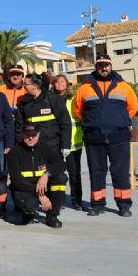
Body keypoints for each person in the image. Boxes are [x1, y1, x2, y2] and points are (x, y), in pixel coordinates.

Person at [73, 54, 138, 217]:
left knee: (121, 172)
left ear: (111, 66)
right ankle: (97, 204)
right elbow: (77, 110)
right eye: (100, 65)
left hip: (119, 136)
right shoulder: (84, 88)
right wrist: (93, 122)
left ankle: (123, 205)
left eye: (106, 65)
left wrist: (118, 121)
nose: (103, 68)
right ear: (96, 67)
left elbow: (133, 107)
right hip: (94, 138)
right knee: (96, 172)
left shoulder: (124, 86)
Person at [8, 124, 68, 228]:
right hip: (25, 190)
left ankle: (52, 216)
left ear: (39, 135)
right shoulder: (14, 152)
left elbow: (61, 164)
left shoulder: (45, 147)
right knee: (30, 204)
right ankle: (28, 214)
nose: (30, 138)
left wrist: (46, 175)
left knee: (61, 178)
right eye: (27, 135)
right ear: (22, 135)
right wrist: (40, 195)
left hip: (43, 187)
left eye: (34, 135)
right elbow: (17, 181)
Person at [17, 72, 71, 154]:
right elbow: (19, 125)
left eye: (26, 84)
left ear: (35, 86)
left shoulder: (53, 99)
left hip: (52, 146)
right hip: (31, 147)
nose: (24, 86)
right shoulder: (24, 102)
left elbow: (65, 122)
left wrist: (65, 145)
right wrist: (19, 143)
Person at [52, 74, 85, 210]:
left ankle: (76, 201)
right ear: (53, 84)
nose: (59, 84)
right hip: (55, 143)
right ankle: (57, 201)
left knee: (74, 174)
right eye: (57, 82)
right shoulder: (50, 99)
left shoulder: (73, 100)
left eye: (62, 82)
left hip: (73, 144)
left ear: (67, 85)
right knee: (56, 174)